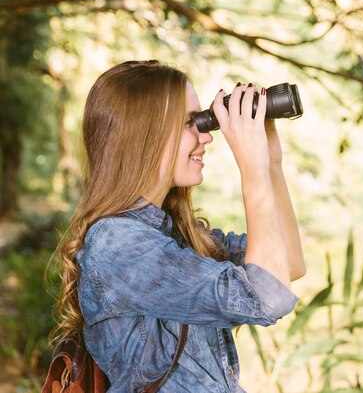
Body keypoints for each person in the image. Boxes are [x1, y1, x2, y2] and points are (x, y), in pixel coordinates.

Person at [51, 60, 306, 392]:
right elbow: (266, 296)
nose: (206, 136)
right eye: (190, 122)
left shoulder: (173, 235)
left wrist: (271, 163)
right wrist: (252, 169)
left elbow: (290, 265)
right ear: (144, 134)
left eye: (203, 120)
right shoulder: (117, 245)